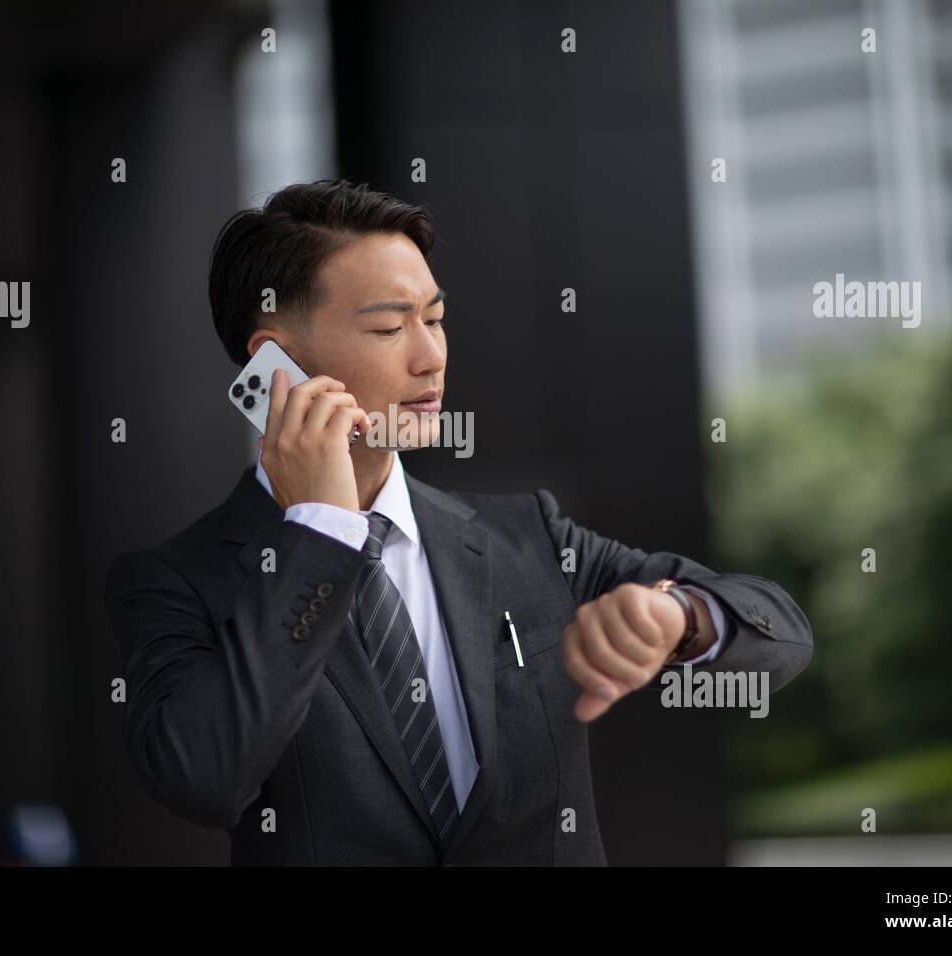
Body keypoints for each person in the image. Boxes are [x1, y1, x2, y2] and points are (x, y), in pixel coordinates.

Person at [104, 179, 813, 865]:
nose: (431, 356)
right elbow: (200, 776)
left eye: (435, 320)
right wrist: (318, 530)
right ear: (274, 363)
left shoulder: (528, 534)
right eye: (388, 327)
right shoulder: (177, 580)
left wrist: (678, 618)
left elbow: (779, 631)